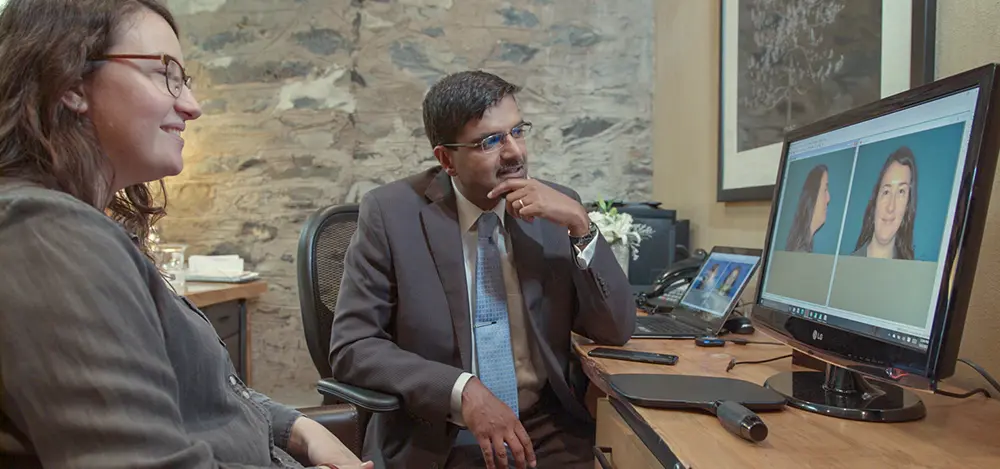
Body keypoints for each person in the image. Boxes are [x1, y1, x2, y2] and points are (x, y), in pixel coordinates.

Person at [0, 1, 369, 468]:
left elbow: (202, 392)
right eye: (166, 74)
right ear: (70, 81)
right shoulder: (48, 234)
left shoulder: (76, 231)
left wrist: (297, 428)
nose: (192, 106)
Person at [329, 71, 635, 469]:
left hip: (544, 430)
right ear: (446, 160)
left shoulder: (554, 209)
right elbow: (352, 346)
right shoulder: (390, 214)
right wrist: (463, 391)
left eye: (517, 132)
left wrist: (581, 225)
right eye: (490, 141)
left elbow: (615, 329)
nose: (514, 153)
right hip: (440, 436)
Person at [852, 146, 918, 260]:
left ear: (907, 206)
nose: (890, 207)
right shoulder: (844, 267)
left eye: (901, 192)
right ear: (876, 200)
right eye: (886, 192)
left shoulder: (909, 270)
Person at [785, 164, 830, 253]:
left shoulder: (799, 247)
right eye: (825, 190)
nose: (828, 198)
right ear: (812, 196)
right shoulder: (799, 253)